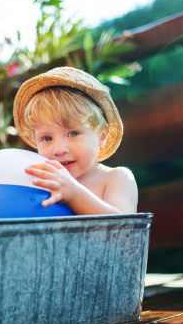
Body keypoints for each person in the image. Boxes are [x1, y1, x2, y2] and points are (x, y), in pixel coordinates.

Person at [13, 66, 138, 215]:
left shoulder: (116, 178)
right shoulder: (42, 184)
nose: (59, 150)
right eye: (47, 138)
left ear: (101, 136)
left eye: (73, 133)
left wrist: (74, 192)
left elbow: (125, 230)